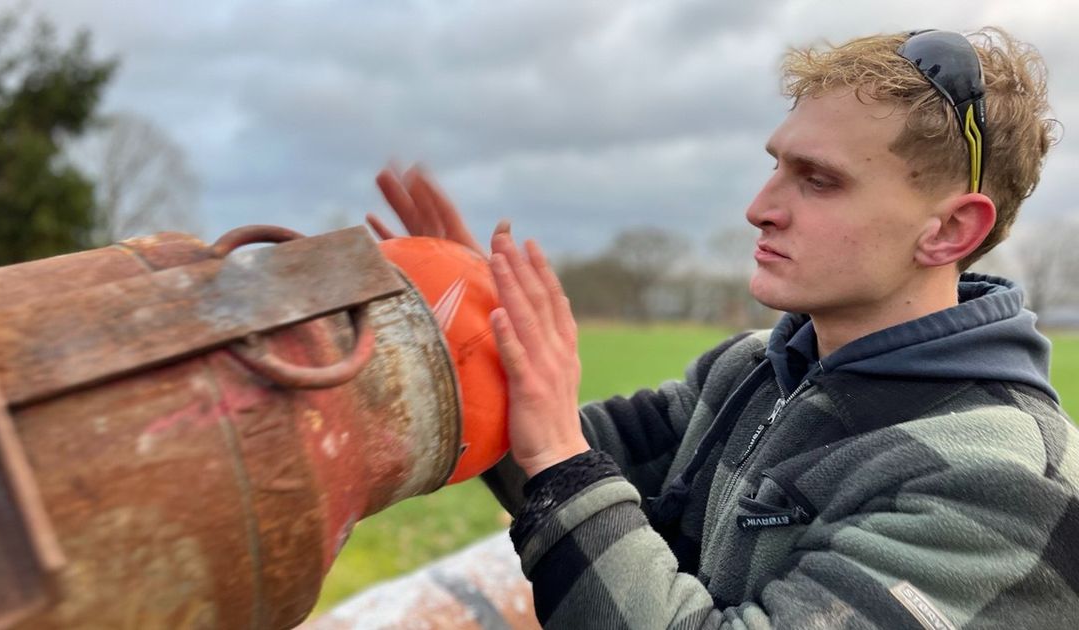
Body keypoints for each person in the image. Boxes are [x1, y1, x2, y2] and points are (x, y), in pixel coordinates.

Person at [367, 27, 1078, 629]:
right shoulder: (754, 370)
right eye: (776, 167)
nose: (759, 208)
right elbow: (570, 466)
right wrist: (474, 343)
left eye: (819, 180)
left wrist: (554, 449)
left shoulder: (997, 479)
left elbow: (561, 462)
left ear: (950, 229)